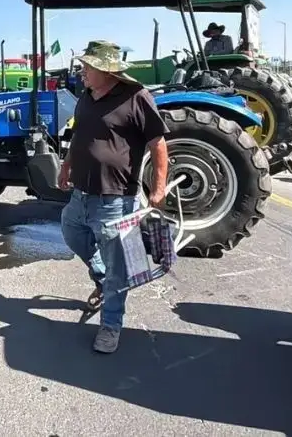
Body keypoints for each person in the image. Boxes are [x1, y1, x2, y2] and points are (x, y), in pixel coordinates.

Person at [57, 40, 170, 354]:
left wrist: (158, 188)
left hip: (116, 199)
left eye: (87, 68)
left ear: (106, 71)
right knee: (71, 231)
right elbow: (80, 133)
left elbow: (158, 145)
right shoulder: (87, 96)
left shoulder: (136, 97)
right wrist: (66, 166)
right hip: (81, 193)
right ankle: (100, 275)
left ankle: (110, 326)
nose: (82, 73)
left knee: (118, 267)